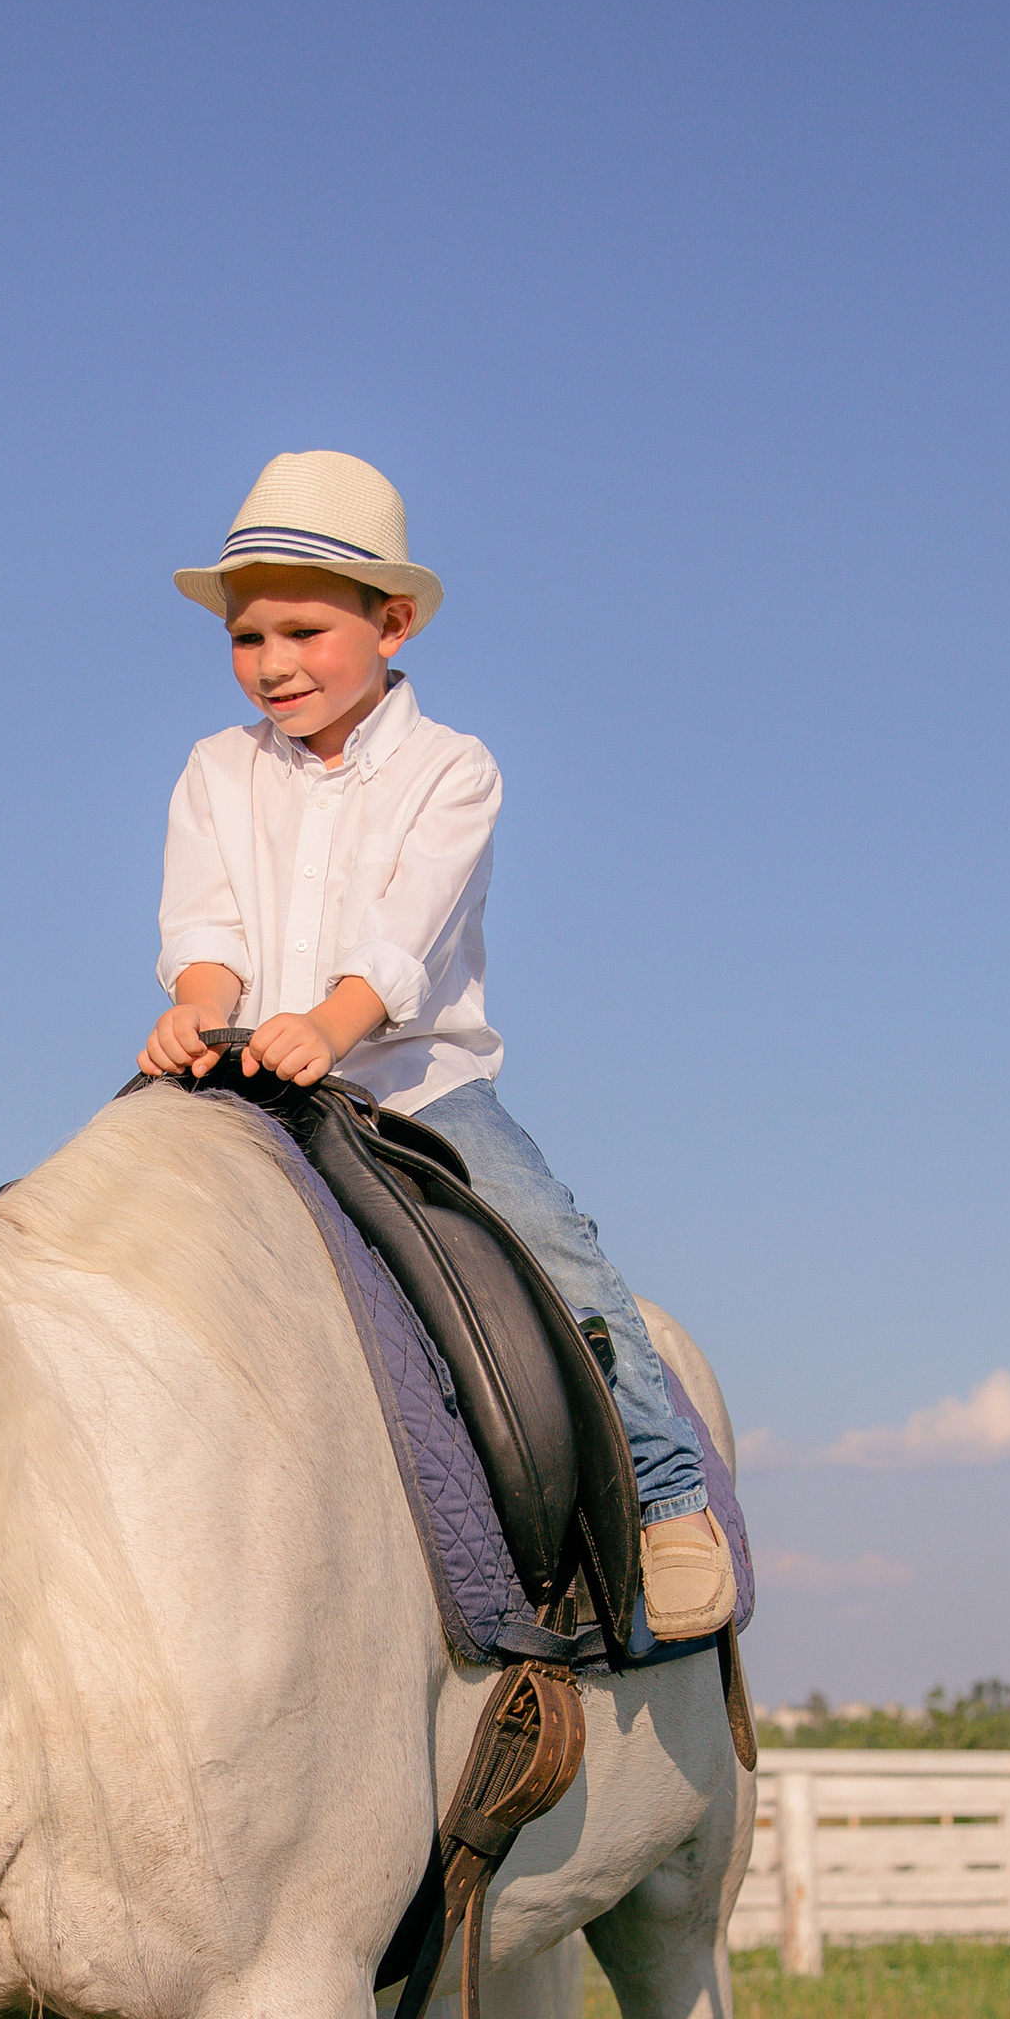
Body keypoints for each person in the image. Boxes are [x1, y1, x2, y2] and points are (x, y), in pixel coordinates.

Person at [142, 448, 735, 1644]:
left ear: (393, 624)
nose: (274, 665)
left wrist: (332, 1024)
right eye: (248, 639)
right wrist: (197, 1009)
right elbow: (204, 924)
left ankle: (668, 1495)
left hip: (415, 1087)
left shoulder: (451, 770)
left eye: (305, 632)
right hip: (249, 1076)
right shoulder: (214, 770)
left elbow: (403, 939)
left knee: (555, 1254)